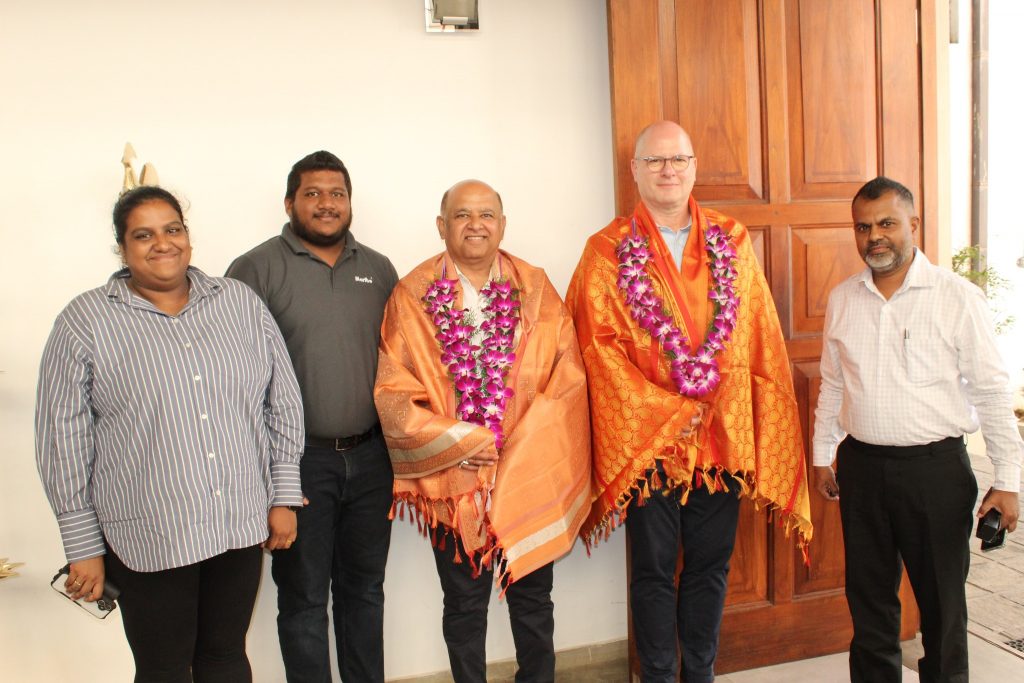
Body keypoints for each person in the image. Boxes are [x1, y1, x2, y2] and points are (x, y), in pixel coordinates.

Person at [567, 120, 812, 683]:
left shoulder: (732, 239)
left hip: (720, 438)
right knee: (652, 571)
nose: (668, 170)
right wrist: (667, 413)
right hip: (648, 443)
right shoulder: (606, 251)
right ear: (635, 170)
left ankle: (699, 672)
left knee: (709, 566)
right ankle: (657, 675)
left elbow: (755, 333)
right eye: (655, 160)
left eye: (678, 159)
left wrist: (731, 410)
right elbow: (596, 348)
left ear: (694, 167)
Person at [36, 185, 305, 682]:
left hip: (237, 523)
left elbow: (282, 399)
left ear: (188, 236)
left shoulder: (238, 303)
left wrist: (283, 495)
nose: (162, 243)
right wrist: (83, 546)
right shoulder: (84, 322)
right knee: (163, 668)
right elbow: (62, 439)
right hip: (149, 533)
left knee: (226, 657)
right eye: (144, 235)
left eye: (172, 229)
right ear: (122, 247)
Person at [373, 179, 591, 683]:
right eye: (462, 215)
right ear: (441, 225)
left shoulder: (535, 288)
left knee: (533, 601)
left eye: (487, 214)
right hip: (453, 480)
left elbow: (566, 378)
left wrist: (520, 450)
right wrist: (461, 444)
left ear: (503, 225)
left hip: (527, 474)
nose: (476, 225)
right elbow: (394, 392)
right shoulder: (411, 295)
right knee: (464, 606)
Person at [812, 176, 1022, 683]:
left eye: (886, 223)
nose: (874, 237)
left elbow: (992, 391)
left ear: (914, 224)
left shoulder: (957, 297)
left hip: (935, 472)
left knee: (943, 609)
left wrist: (1008, 480)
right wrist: (822, 454)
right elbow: (833, 384)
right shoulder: (843, 299)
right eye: (863, 227)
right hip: (862, 469)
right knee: (869, 604)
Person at [226, 151, 398, 683]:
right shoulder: (253, 270)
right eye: (313, 194)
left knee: (365, 590)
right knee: (303, 599)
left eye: (337, 194)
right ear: (289, 203)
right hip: (297, 465)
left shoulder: (379, 268)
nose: (327, 204)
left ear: (350, 202)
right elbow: (235, 376)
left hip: (372, 459)